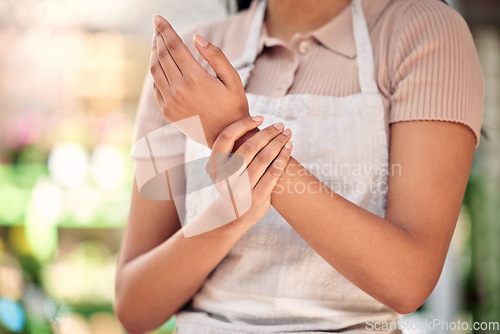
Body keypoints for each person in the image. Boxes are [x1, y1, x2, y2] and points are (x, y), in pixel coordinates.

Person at [114, 0, 484, 333]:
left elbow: (408, 282)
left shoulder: (423, 32)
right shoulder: (185, 68)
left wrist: (232, 132)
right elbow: (135, 307)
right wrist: (226, 218)